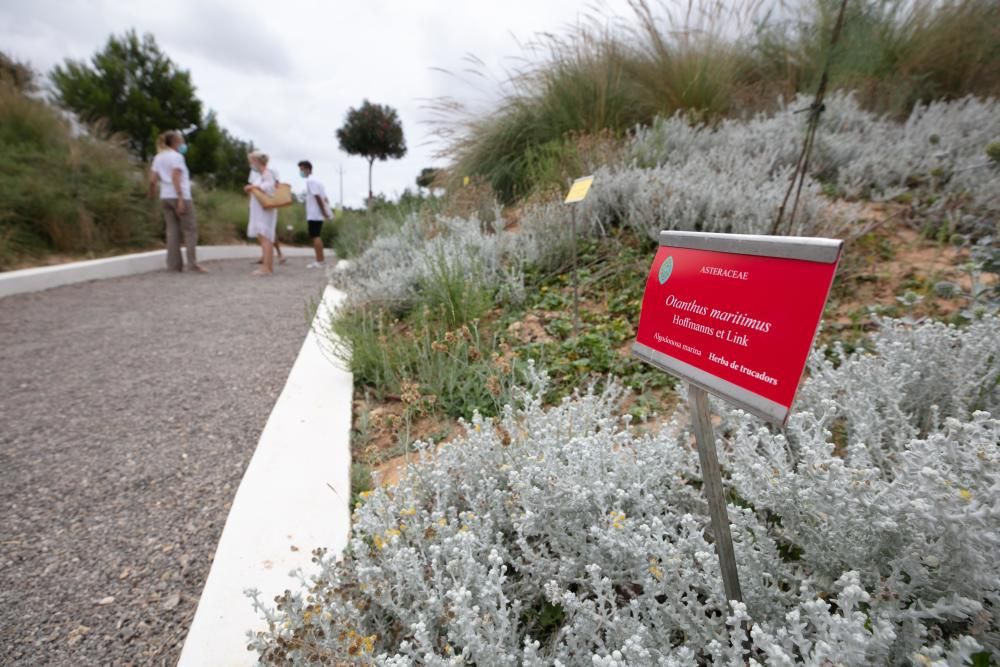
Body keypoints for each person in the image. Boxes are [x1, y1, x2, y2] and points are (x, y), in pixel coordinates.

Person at [148, 130, 207, 273]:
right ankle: (192, 264)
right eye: (181, 141)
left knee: (172, 231)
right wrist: (180, 198)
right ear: (175, 142)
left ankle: (174, 265)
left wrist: (151, 193)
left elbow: (152, 180)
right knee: (190, 230)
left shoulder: (158, 157)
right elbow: (176, 177)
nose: (183, 144)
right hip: (181, 196)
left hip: (165, 197)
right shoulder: (177, 157)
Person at [244, 151, 283, 275]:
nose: (250, 164)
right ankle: (266, 266)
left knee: (265, 237)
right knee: (263, 236)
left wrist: (253, 188)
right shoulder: (261, 175)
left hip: (264, 211)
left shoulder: (267, 173)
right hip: (259, 210)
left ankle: (267, 267)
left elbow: (270, 187)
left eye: (251, 161)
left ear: (256, 161)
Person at [297, 160, 332, 268]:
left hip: (314, 214)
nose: (300, 172)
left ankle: (320, 261)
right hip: (317, 214)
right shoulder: (318, 181)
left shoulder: (311, 181)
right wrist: (326, 211)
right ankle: (320, 260)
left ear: (308, 169)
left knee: (315, 236)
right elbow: (325, 198)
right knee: (316, 235)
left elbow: (317, 197)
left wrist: (323, 211)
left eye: (301, 169)